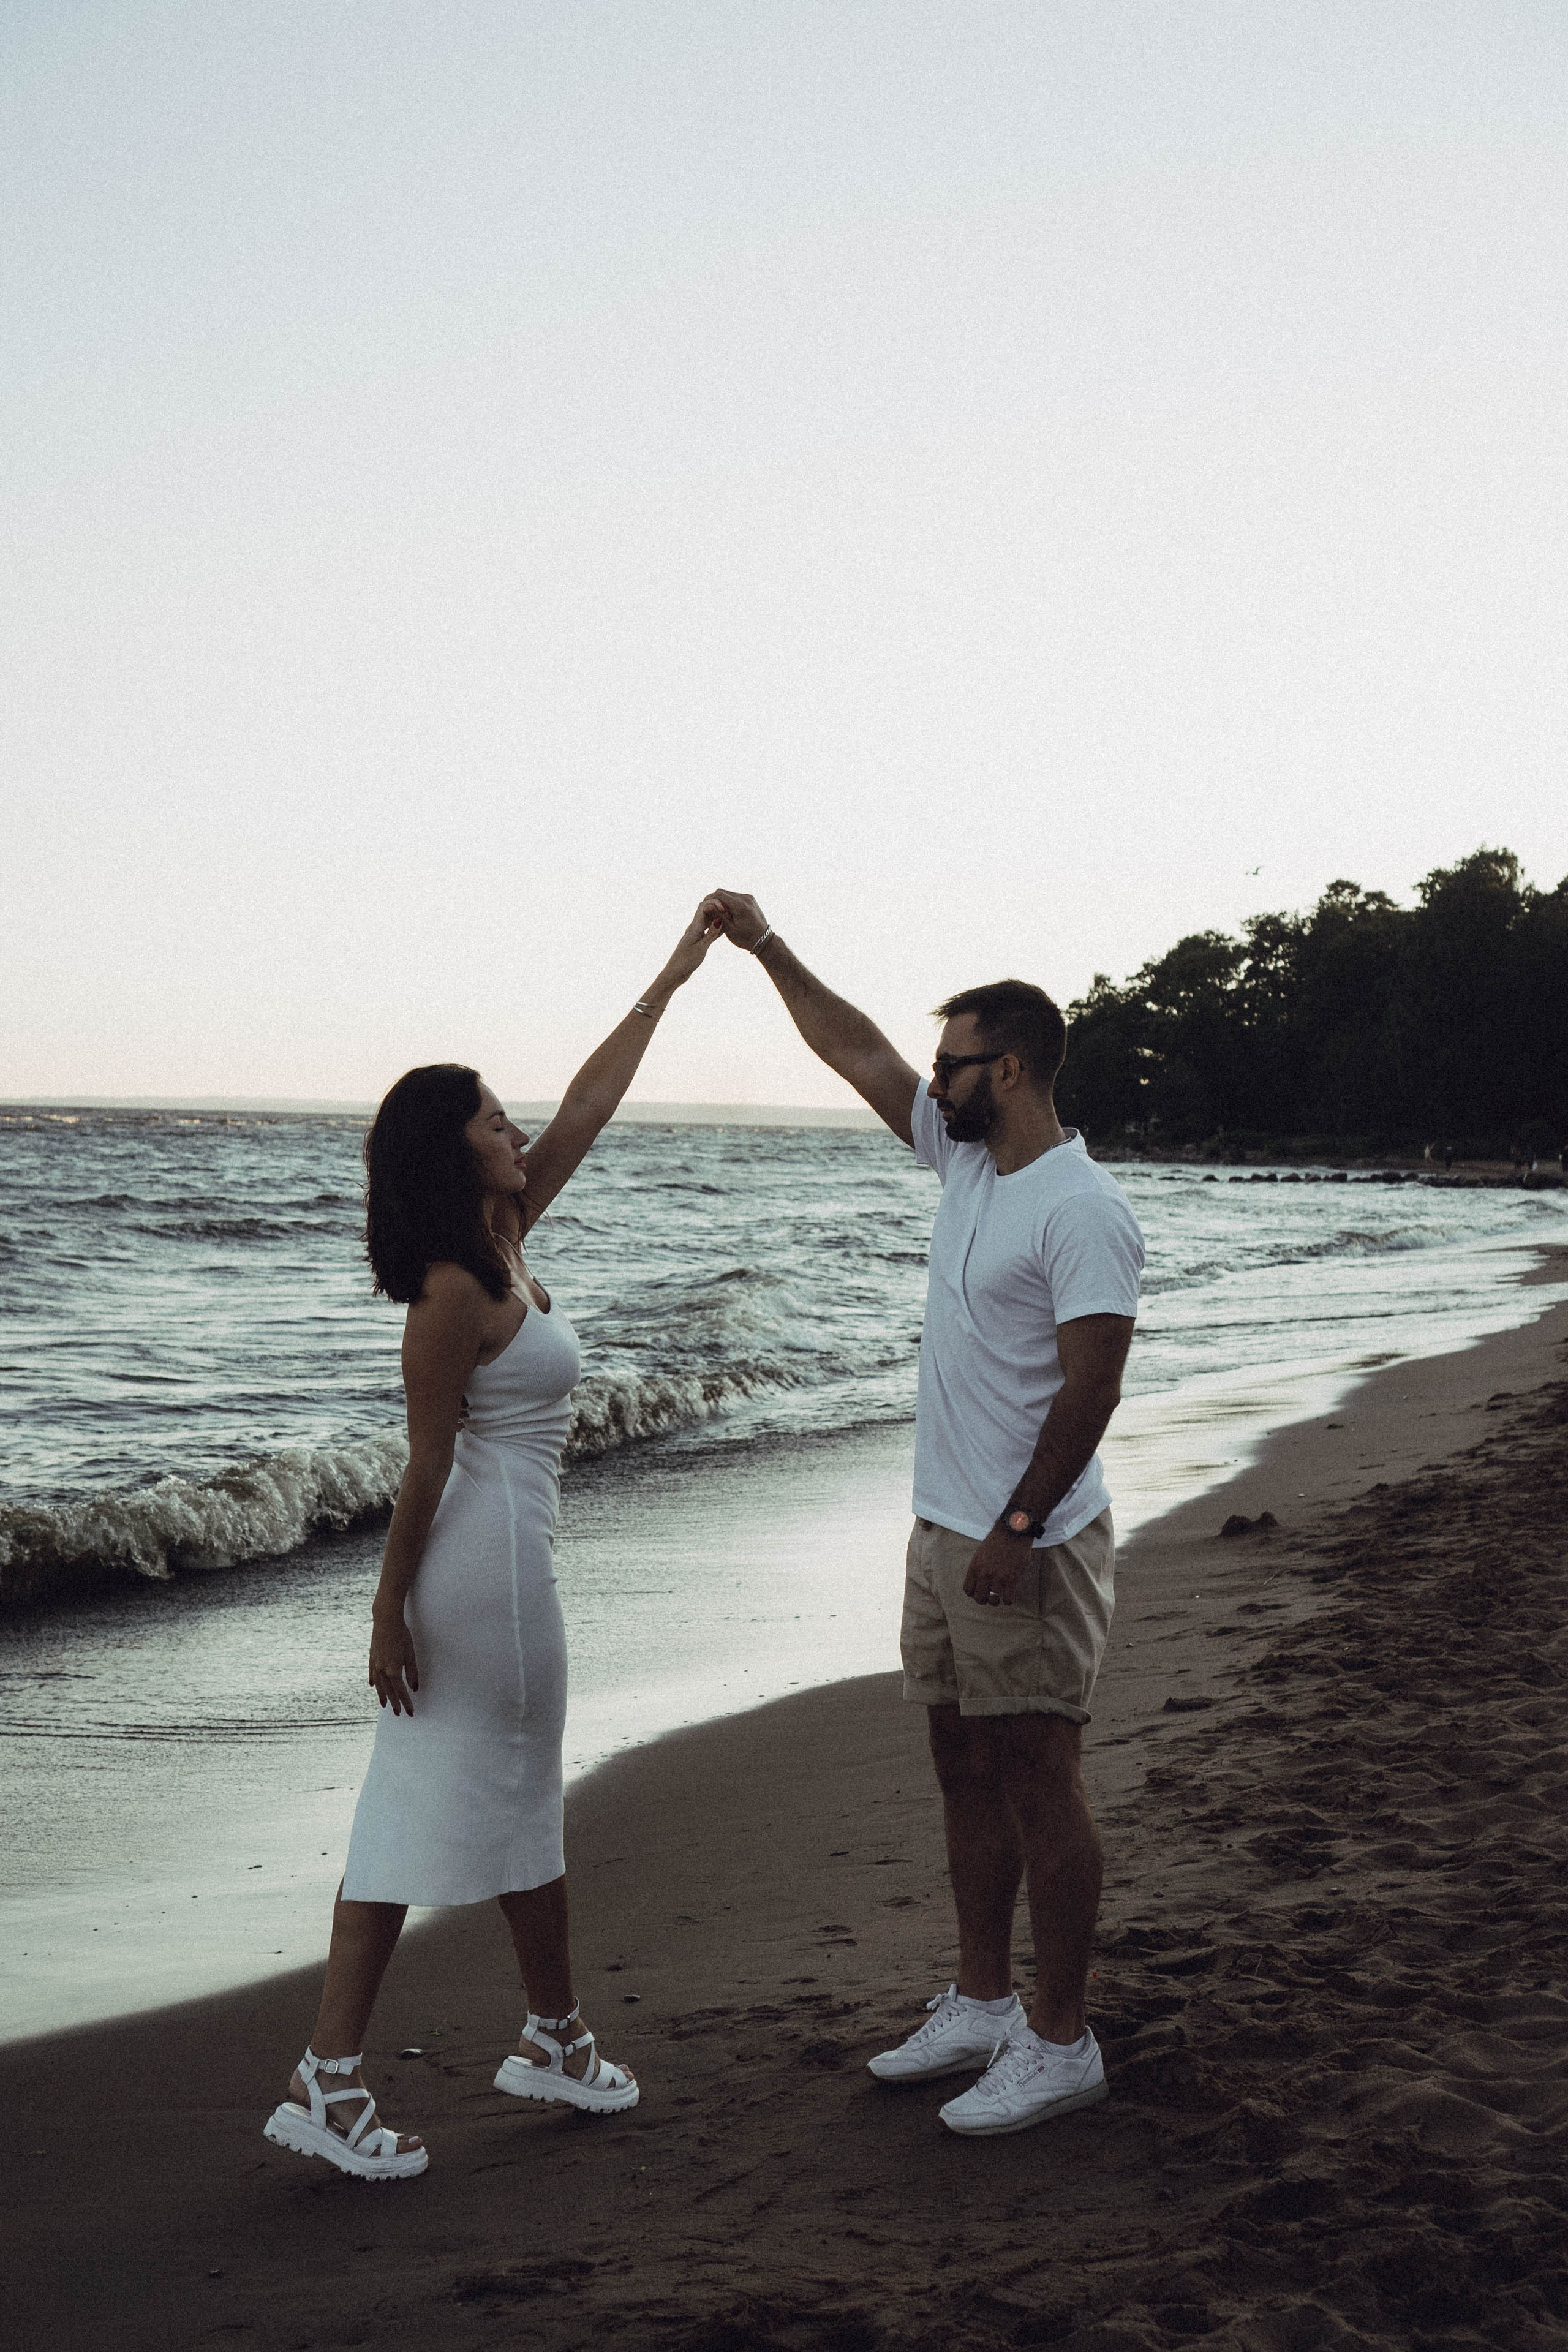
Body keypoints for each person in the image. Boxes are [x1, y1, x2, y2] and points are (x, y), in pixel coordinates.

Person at [264, 899, 723, 2179]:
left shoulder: (504, 1238)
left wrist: (678, 969)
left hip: (498, 1560)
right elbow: (425, 1464)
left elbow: (588, 1107)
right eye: (491, 1122)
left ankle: (516, 2041)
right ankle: (402, 2065)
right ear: (450, 1152)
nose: (516, 1133)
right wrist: (385, 1613)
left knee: (480, 1803)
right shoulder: (451, 1290)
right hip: (485, 1570)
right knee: (471, 1805)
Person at [710, 890, 1144, 2138]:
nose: (931, 1080)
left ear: (1007, 1071)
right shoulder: (965, 1161)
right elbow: (852, 1048)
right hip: (943, 1527)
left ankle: (1059, 2042)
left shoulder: (1080, 1208)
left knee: (1040, 1776)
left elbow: (1093, 1386)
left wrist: (1016, 1527)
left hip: (1028, 1540)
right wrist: (765, 945)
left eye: (951, 1063)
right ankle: (983, 2002)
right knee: (962, 1766)